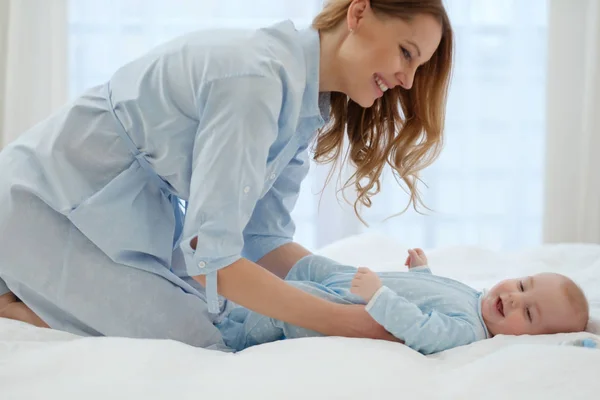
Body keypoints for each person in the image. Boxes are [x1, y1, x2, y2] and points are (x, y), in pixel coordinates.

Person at [0, 0, 453, 349]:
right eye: (406, 53)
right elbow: (211, 260)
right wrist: (348, 322)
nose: (408, 81)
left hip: (116, 212)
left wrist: (363, 288)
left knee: (234, 319)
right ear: (359, 11)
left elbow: (263, 239)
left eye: (417, 67)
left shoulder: (305, 103)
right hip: (48, 202)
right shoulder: (257, 80)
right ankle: (17, 303)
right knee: (204, 344)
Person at [217, 249, 590, 354]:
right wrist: (422, 273)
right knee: (314, 264)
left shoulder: (468, 332)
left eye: (528, 312)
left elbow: (422, 326)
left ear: (527, 338)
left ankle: (235, 329)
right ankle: (251, 275)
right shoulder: (477, 299)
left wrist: (378, 296)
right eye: (522, 285)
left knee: (297, 300)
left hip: (348, 301)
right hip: (349, 281)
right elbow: (433, 297)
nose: (512, 298)